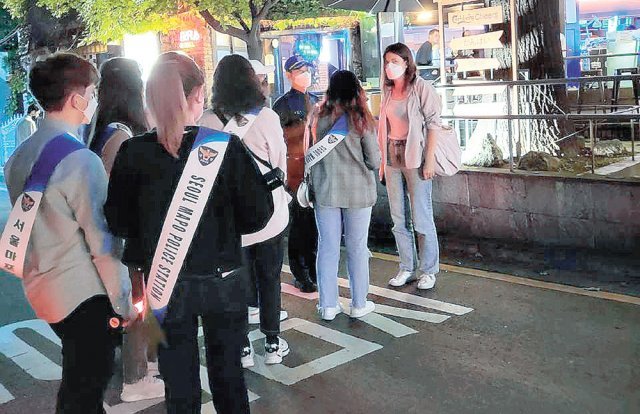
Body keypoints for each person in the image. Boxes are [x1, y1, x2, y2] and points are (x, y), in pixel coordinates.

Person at [105, 51, 273, 414]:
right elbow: (258, 216)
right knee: (229, 377)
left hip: (164, 284)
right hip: (223, 279)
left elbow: (117, 223)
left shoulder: (132, 154)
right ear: (198, 95)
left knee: (179, 384)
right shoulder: (224, 148)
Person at [4, 53, 136, 413]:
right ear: (77, 98)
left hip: (42, 288)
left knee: (78, 380)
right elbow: (103, 243)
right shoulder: (80, 160)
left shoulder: (19, 156)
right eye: (92, 91)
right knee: (85, 388)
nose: (94, 100)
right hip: (84, 297)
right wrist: (124, 302)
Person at [201, 54, 291, 367]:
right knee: (269, 278)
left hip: (229, 223)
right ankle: (272, 342)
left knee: (235, 282)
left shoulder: (207, 122)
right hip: (270, 215)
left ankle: (241, 347)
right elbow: (280, 163)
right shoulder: (267, 118)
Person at [88, 57, 163, 402]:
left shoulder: (104, 129)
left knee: (132, 300)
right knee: (135, 301)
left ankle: (140, 366)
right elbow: (122, 191)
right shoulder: (121, 134)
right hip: (123, 235)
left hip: (113, 233)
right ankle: (136, 378)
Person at [308, 70, 380, 321]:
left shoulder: (319, 117)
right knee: (357, 248)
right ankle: (359, 303)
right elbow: (374, 160)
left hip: (326, 190)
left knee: (327, 247)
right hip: (358, 192)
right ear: (356, 91)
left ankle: (328, 305)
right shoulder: (362, 120)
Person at [378, 43, 442, 291]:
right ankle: (407, 266)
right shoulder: (387, 91)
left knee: (422, 216)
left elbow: (434, 124)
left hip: (415, 155)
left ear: (407, 62)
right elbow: (383, 128)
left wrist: (429, 160)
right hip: (393, 155)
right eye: (387, 61)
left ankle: (428, 269)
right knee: (398, 218)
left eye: (395, 61)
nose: (389, 66)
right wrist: (383, 162)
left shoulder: (421, 88)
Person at [273, 55, 319, 293]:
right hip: (295, 172)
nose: (305, 74)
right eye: (299, 71)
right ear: (289, 75)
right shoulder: (282, 105)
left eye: (307, 70)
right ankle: (301, 274)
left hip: (315, 171)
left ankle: (313, 269)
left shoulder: (316, 100)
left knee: (313, 226)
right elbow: (279, 139)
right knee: (299, 225)